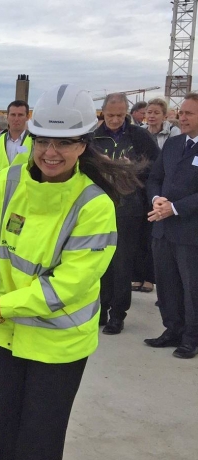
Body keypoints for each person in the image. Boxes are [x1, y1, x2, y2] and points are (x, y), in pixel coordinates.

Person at [0, 83, 138, 460]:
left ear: (84, 144)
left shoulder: (94, 205)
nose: (51, 152)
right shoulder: (12, 178)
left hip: (57, 340)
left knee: (42, 427)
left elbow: (68, 286)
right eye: (43, 140)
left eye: (64, 142)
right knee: (2, 416)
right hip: (1, 329)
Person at [92, 93, 159, 335]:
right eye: (110, 115)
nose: (115, 119)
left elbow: (156, 169)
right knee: (99, 261)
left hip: (129, 209)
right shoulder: (93, 138)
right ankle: (100, 307)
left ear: (126, 114)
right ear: (103, 113)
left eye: (120, 115)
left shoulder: (140, 137)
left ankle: (117, 314)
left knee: (121, 263)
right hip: (98, 208)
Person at [145, 92, 198, 359]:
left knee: (192, 289)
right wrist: (156, 199)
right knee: (166, 284)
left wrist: (175, 208)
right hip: (162, 229)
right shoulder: (174, 144)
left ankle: (191, 337)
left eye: (189, 113)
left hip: (190, 232)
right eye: (182, 112)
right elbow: (155, 177)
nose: (182, 117)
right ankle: (172, 329)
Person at [137, 98, 181, 293]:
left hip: (163, 189)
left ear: (164, 115)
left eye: (156, 112)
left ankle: (149, 278)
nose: (152, 116)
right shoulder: (140, 132)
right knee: (140, 232)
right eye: (149, 112)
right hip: (142, 185)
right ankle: (137, 275)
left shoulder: (173, 134)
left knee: (154, 235)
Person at [0, 100, 33, 176]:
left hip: (25, 187)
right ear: (7, 116)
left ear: (27, 117)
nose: (16, 119)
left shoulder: (35, 141)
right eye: (13, 115)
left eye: (20, 115)